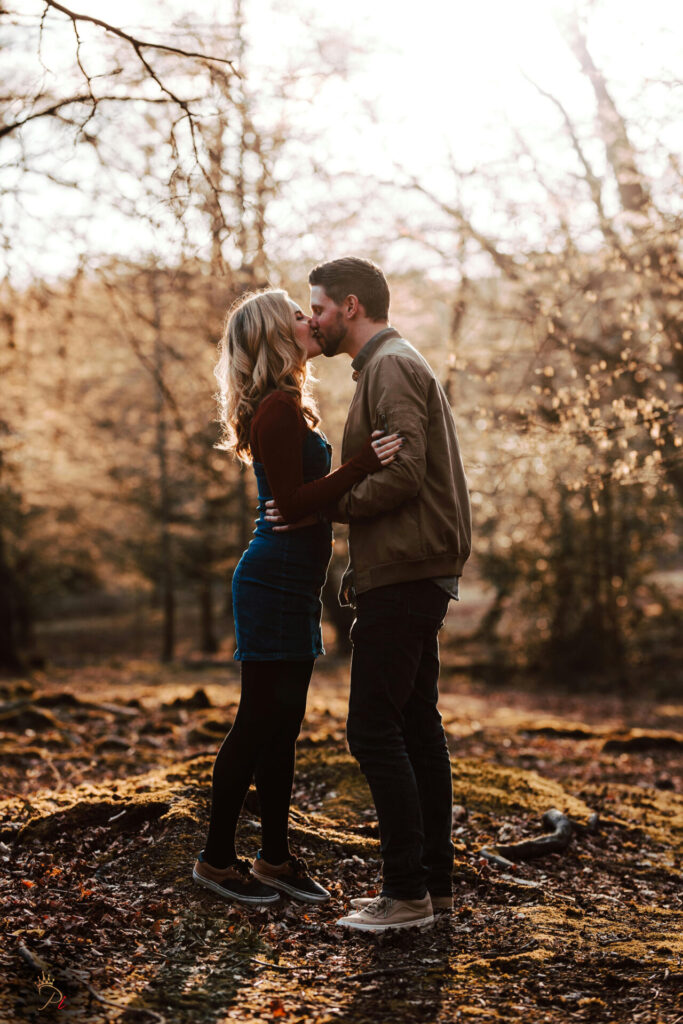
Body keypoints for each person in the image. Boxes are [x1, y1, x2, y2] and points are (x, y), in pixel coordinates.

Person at [267, 258, 471, 931]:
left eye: (317, 307)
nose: (313, 319)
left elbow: (406, 472)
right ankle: (431, 888)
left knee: (372, 728)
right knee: (414, 725)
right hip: (409, 565)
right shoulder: (385, 365)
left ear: (349, 307)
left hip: (407, 570)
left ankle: (405, 894)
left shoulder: (389, 366)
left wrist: (329, 507)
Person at [191, 288, 402, 908]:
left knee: (283, 726)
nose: (311, 321)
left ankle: (275, 858)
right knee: (258, 721)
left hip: (293, 578)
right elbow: (291, 504)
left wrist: (332, 488)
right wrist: (362, 463)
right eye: (297, 317)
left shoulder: (287, 405)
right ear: (275, 336)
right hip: (272, 579)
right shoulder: (277, 410)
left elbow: (300, 501)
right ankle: (216, 859)